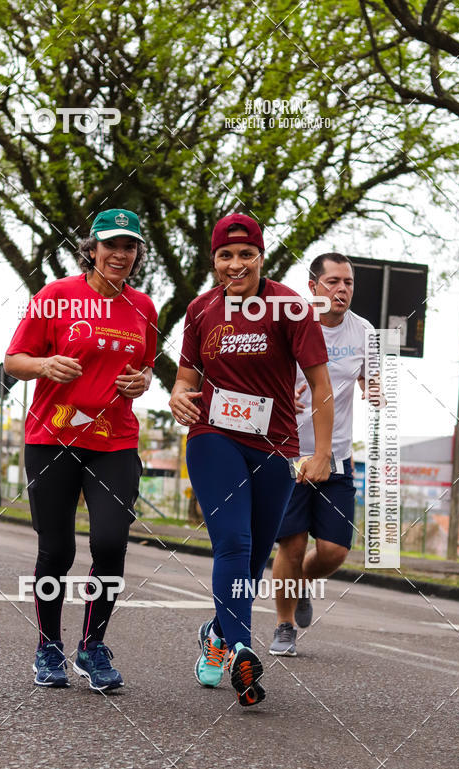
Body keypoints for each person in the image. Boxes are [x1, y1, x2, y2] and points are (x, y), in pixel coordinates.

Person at [169, 213, 333, 707]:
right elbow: (185, 380)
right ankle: (243, 648)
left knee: (257, 553)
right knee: (235, 542)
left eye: (246, 254)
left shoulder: (290, 308)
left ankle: (218, 634)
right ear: (213, 260)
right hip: (212, 437)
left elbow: (321, 388)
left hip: (275, 445)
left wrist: (320, 453)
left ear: (261, 256)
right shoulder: (200, 311)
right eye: (225, 255)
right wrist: (179, 397)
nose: (235, 264)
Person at [4, 209, 158, 692]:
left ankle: (93, 646)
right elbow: (13, 361)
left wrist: (143, 381)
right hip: (52, 437)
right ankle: (48, 645)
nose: (120, 254)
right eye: (111, 245)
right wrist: (45, 364)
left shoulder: (145, 308)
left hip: (114, 440)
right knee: (57, 549)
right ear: (91, 249)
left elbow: (146, 370)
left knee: (111, 542)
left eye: (129, 247)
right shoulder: (56, 297)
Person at [269, 252, 374, 656]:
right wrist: (281, 396)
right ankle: (283, 625)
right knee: (291, 547)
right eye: (333, 281)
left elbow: (370, 375)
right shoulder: (292, 324)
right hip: (291, 453)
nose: (342, 289)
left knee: (333, 551)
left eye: (347, 282)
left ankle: (303, 584)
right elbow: (264, 376)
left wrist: (372, 386)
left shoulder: (363, 331)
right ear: (313, 286)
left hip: (338, 457)